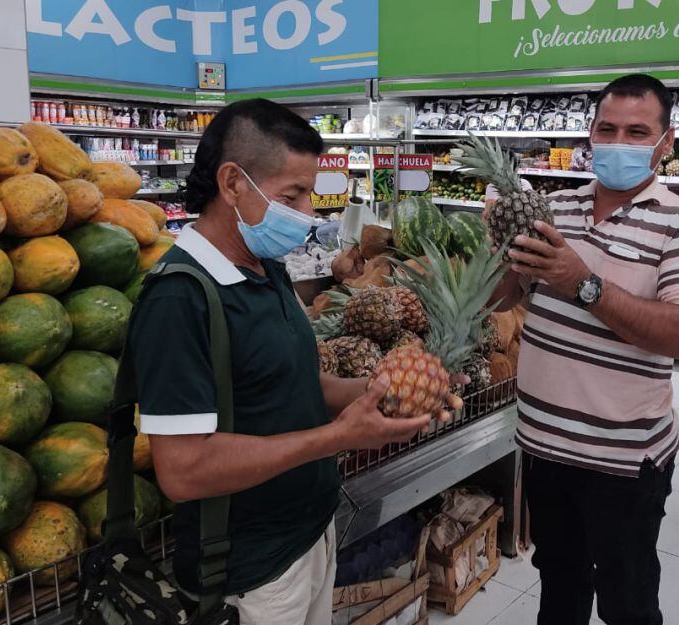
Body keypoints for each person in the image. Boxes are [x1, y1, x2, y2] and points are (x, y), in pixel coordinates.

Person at [125, 99, 458, 625]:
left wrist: (379, 394)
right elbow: (183, 470)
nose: (307, 213)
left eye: (309, 192)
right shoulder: (179, 298)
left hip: (308, 536)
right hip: (250, 572)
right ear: (233, 182)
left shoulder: (266, 268)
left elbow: (292, 383)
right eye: (292, 195)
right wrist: (337, 438)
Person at [493, 75, 679, 625]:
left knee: (628, 601)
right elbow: (501, 297)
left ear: (666, 141)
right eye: (607, 129)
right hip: (544, 448)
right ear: (589, 134)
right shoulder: (552, 209)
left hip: (622, 463)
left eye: (636, 131)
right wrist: (499, 256)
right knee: (560, 585)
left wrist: (583, 282)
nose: (618, 142)